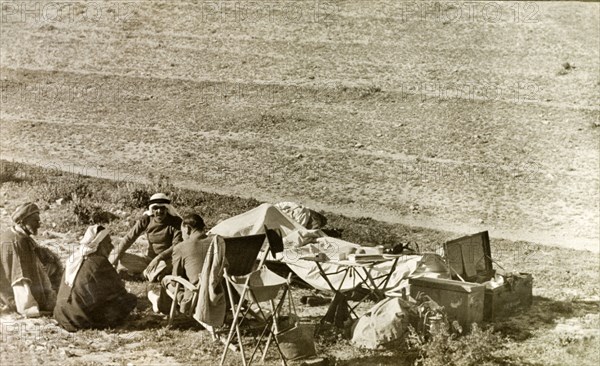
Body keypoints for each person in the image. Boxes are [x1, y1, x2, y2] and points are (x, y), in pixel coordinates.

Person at [54, 225, 137, 332]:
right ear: (99, 245)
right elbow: (119, 291)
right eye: (108, 243)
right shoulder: (100, 262)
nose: (111, 247)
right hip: (80, 321)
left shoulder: (74, 258)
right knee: (129, 300)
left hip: (62, 316)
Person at [0, 203, 57, 317]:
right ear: (22, 222)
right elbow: (19, 277)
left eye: (39, 221)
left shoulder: (21, 236)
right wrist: (29, 308)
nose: (39, 225)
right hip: (12, 294)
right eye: (35, 221)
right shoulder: (15, 242)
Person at [110, 193, 183, 281]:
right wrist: (115, 258)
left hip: (166, 260)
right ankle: (151, 274)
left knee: (173, 264)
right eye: (156, 208)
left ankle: (144, 275)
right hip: (148, 260)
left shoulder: (176, 222)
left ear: (167, 208)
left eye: (162, 208)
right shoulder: (147, 219)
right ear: (152, 209)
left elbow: (177, 245)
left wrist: (159, 257)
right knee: (120, 257)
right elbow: (129, 238)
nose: (159, 211)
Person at [148, 213, 210, 314]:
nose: (182, 235)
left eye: (182, 232)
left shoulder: (181, 247)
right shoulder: (217, 242)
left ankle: (162, 307)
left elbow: (175, 280)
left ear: (188, 229)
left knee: (166, 280)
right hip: (221, 296)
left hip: (196, 300)